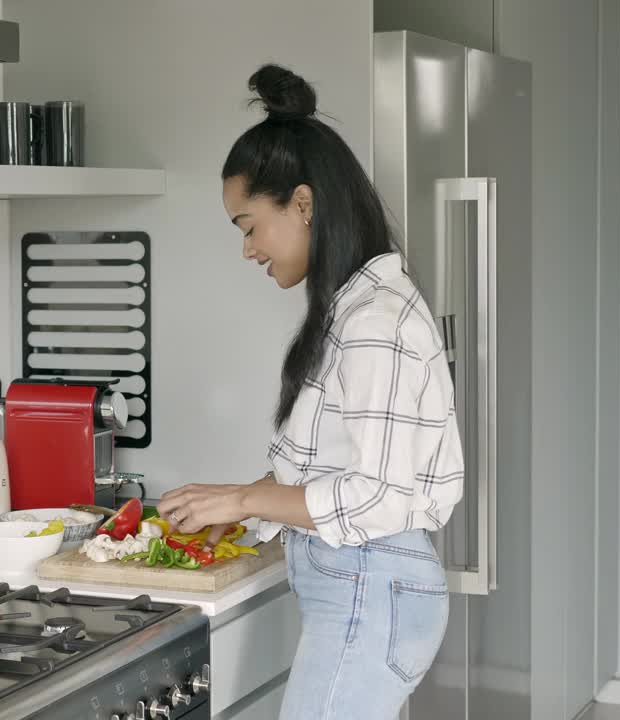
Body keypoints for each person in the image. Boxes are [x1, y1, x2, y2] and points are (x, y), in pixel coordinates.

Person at [156, 64, 464, 720]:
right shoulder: (353, 309)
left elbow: (376, 496)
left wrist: (243, 497)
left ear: (301, 203)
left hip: (369, 588)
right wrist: (240, 510)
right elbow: (330, 464)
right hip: (365, 590)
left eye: (247, 225)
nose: (246, 249)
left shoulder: (373, 321)